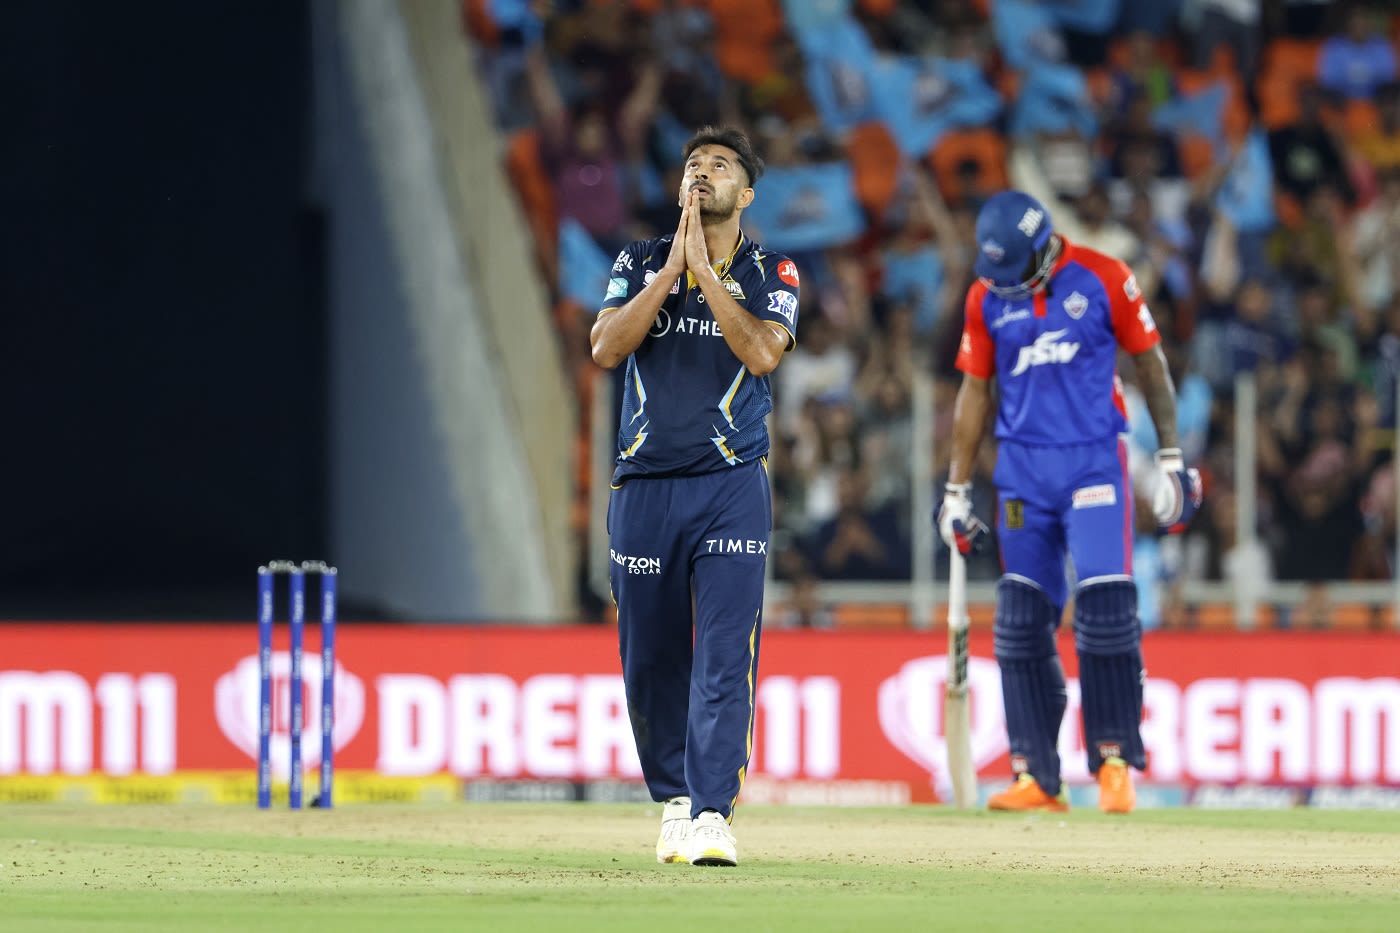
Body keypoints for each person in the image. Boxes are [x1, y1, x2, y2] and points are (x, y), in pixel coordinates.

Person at [937, 190, 1202, 814]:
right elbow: (974, 394)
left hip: (1092, 462)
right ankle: (1036, 775)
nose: (1002, 285)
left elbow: (1152, 366)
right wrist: (955, 488)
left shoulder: (1105, 277)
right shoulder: (985, 297)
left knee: (1106, 612)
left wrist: (1170, 457)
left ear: (1046, 246)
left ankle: (1114, 763)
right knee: (1019, 623)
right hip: (1021, 474)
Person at [590, 126, 799, 865]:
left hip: (730, 485)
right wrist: (672, 268)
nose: (701, 172)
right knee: (649, 658)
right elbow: (606, 346)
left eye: (719, 165)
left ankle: (713, 812)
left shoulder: (776, 270)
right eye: (692, 164)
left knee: (722, 655)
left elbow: (764, 351)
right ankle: (675, 801)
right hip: (645, 485)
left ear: (745, 193)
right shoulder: (637, 259)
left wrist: (707, 275)